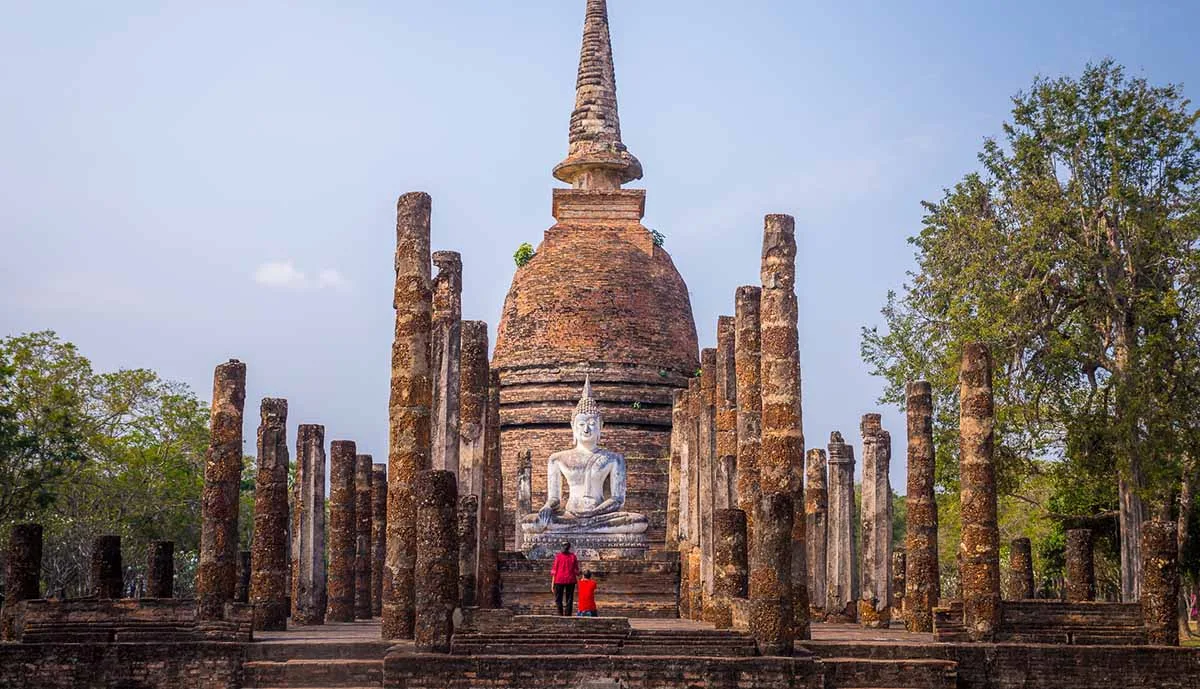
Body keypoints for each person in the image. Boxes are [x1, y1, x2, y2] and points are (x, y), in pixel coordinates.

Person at [550, 541, 579, 616]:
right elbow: (576, 571)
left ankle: (560, 613)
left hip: (559, 580)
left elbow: (554, 571)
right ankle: (568, 614)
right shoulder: (573, 556)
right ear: (569, 548)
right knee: (569, 599)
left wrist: (552, 583)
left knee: (558, 599)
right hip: (570, 579)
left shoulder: (558, 556)